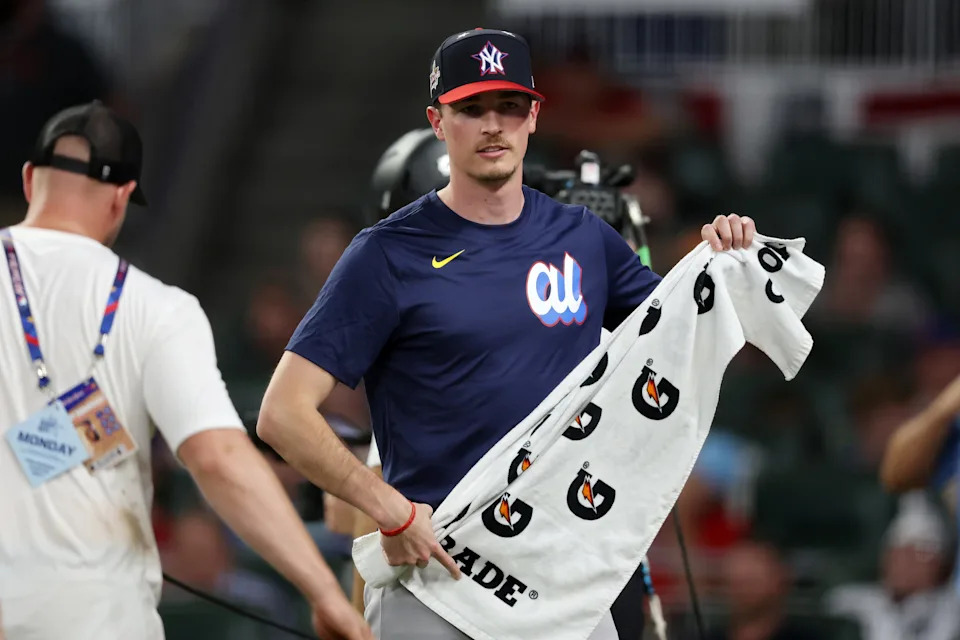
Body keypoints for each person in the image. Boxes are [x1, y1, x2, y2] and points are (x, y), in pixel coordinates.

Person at [257, 28, 754, 639]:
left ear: (534, 116)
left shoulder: (583, 237)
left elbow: (688, 345)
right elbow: (281, 413)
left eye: (509, 106)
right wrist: (388, 509)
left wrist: (722, 261)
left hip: (566, 581)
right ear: (438, 122)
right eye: (471, 108)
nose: (493, 125)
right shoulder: (386, 253)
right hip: (442, 581)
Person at [0, 102, 371, 640]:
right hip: (93, 619)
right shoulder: (154, 307)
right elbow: (218, 458)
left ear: (30, 179)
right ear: (123, 197)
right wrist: (323, 591)